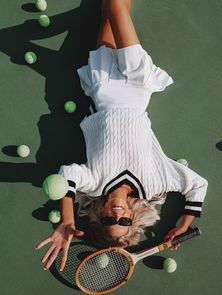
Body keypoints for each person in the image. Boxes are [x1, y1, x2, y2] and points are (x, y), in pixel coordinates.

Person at [35, 0, 208, 272]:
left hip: (101, 87)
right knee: (116, 5)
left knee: (107, 12)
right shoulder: (153, 184)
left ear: (100, 214)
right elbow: (198, 186)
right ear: (132, 216)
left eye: (109, 222)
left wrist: (67, 221)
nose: (117, 216)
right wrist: (182, 224)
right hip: (137, 84)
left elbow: (65, 175)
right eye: (124, 222)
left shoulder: (93, 185)